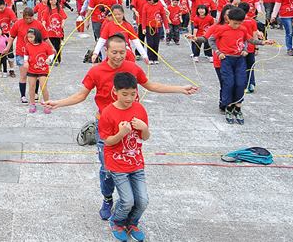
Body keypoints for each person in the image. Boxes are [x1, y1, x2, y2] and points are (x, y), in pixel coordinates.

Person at [44, 34, 196, 221]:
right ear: (105, 51)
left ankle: (130, 202)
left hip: (130, 126)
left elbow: (151, 85)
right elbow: (81, 95)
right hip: (107, 125)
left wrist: (180, 88)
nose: (118, 56)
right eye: (114, 52)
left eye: (122, 52)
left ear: (127, 51)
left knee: (130, 164)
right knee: (107, 167)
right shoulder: (96, 71)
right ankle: (107, 199)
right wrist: (58, 103)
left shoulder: (132, 68)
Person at [100, 72, 150, 242]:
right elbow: (107, 142)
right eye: (125, 94)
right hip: (117, 163)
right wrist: (122, 133)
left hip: (136, 163)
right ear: (115, 91)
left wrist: (144, 128)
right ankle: (117, 221)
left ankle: (132, 222)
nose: (129, 98)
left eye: (133, 94)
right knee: (127, 200)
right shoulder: (108, 113)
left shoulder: (140, 109)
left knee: (143, 200)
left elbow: (145, 137)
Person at [207, 7, 274, 124]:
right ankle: (228, 106)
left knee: (240, 83)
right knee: (229, 83)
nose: (237, 26)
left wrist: (262, 42)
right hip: (226, 60)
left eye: (239, 23)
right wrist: (218, 52)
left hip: (239, 60)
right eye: (234, 23)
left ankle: (237, 107)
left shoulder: (242, 29)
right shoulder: (222, 29)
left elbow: (249, 40)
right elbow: (211, 40)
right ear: (228, 19)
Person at [23, 28, 55, 114]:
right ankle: (32, 104)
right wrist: (25, 62)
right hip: (31, 69)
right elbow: (26, 55)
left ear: (36, 36)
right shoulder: (28, 46)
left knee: (43, 87)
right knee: (32, 87)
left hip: (43, 70)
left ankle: (47, 104)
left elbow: (51, 54)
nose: (29, 39)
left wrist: (49, 59)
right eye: (28, 37)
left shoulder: (45, 45)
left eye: (31, 37)